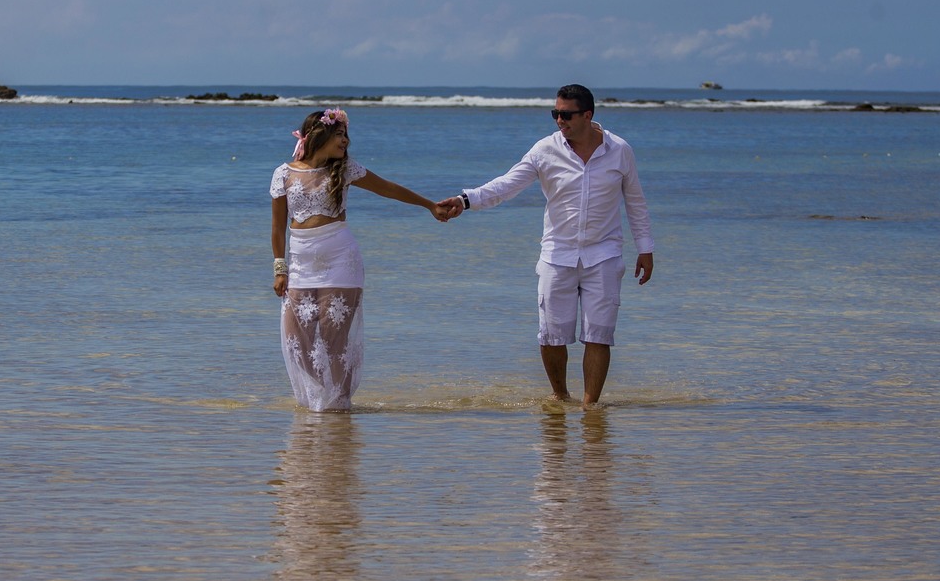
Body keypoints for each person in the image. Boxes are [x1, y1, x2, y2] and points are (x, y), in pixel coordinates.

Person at [441, 84, 654, 409]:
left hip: (605, 255)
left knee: (599, 334)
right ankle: (560, 396)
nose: (559, 120)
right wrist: (465, 200)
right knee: (552, 335)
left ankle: (589, 407)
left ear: (587, 115)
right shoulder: (545, 150)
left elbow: (635, 201)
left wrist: (645, 248)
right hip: (557, 255)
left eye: (566, 115)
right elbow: (507, 185)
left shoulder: (620, 150)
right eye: (555, 113)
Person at [270, 108, 458, 412]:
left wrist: (428, 205)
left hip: (340, 262)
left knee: (334, 344)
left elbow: (388, 188)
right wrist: (280, 268)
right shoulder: (283, 174)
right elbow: (278, 227)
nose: (346, 140)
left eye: (346, 134)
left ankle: (338, 408)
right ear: (320, 135)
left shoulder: (344, 170)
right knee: (298, 343)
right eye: (340, 134)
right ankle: (319, 403)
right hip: (301, 266)